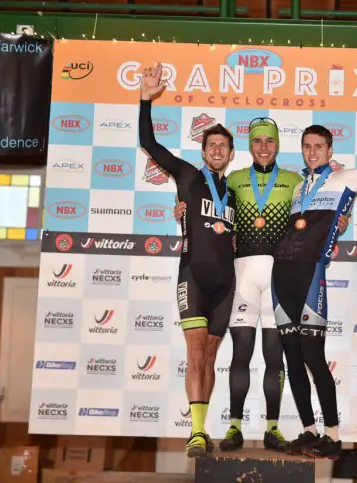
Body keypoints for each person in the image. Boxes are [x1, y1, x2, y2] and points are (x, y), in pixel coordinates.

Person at [173, 118, 350, 452]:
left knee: (275, 356)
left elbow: (321, 211)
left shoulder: (297, 181)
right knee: (240, 354)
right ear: (250, 146)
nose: (264, 147)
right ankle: (235, 427)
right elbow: (206, 208)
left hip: (279, 274)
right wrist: (181, 210)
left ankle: (272, 428)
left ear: (278, 145)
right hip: (240, 274)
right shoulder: (235, 179)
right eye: (258, 142)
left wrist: (342, 219)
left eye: (270, 141)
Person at [272, 89, 357, 459]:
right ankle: (309, 431)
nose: (312, 152)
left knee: (314, 354)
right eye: (307, 146)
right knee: (292, 357)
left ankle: (332, 434)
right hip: (281, 274)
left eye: (319, 146)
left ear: (330, 150)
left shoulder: (346, 177)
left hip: (312, 272)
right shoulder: (298, 187)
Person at [138, 63, 237, 458]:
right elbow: (150, 143)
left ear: (231, 154)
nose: (216, 151)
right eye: (211, 145)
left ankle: (204, 426)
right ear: (203, 151)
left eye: (223, 147)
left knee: (210, 356)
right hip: (192, 276)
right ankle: (196, 433)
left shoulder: (238, 189)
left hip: (226, 284)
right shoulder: (188, 175)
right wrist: (146, 98)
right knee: (195, 354)